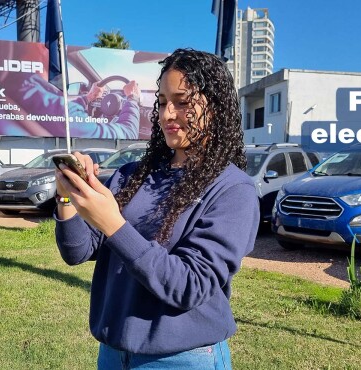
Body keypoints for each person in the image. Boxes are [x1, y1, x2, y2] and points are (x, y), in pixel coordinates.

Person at [53, 48, 259, 369]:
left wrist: (114, 225)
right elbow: (75, 251)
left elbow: (190, 285)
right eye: (162, 102)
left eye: (183, 102)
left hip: (182, 358)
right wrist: (67, 198)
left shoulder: (233, 189)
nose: (168, 114)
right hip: (113, 353)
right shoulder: (130, 175)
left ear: (215, 108)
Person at [19, 75, 142, 139]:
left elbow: (62, 111)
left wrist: (89, 97)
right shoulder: (68, 121)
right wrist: (132, 98)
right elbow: (129, 133)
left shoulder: (26, 91)